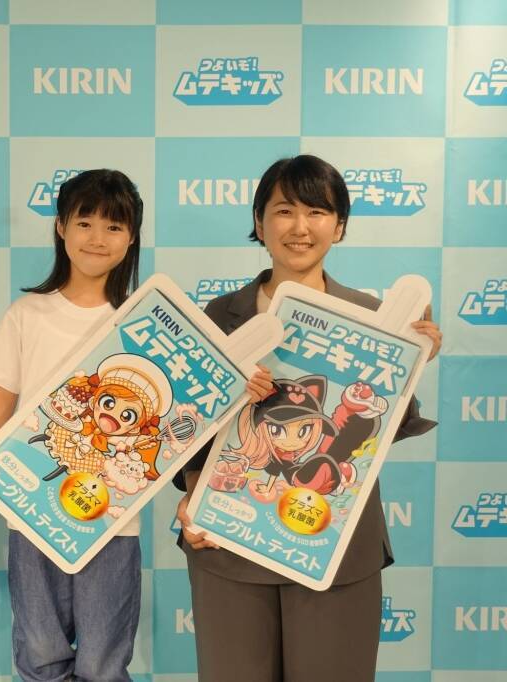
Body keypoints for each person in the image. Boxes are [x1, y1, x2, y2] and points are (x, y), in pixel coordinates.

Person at [0, 169, 270, 682]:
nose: (97, 238)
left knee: (103, 661)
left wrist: (239, 385)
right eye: (85, 223)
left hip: (113, 520)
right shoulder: (28, 313)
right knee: (40, 652)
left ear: (132, 237)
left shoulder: (149, 324)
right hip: (32, 511)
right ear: (61, 227)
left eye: (114, 226)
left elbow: (191, 408)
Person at [173, 154, 443, 682]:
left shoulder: (374, 316)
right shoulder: (219, 315)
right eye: (284, 211)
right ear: (259, 223)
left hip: (335, 545)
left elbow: (382, 431)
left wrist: (410, 365)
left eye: (317, 212)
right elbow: (187, 426)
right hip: (230, 541)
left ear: (339, 226)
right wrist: (193, 492)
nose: (300, 227)